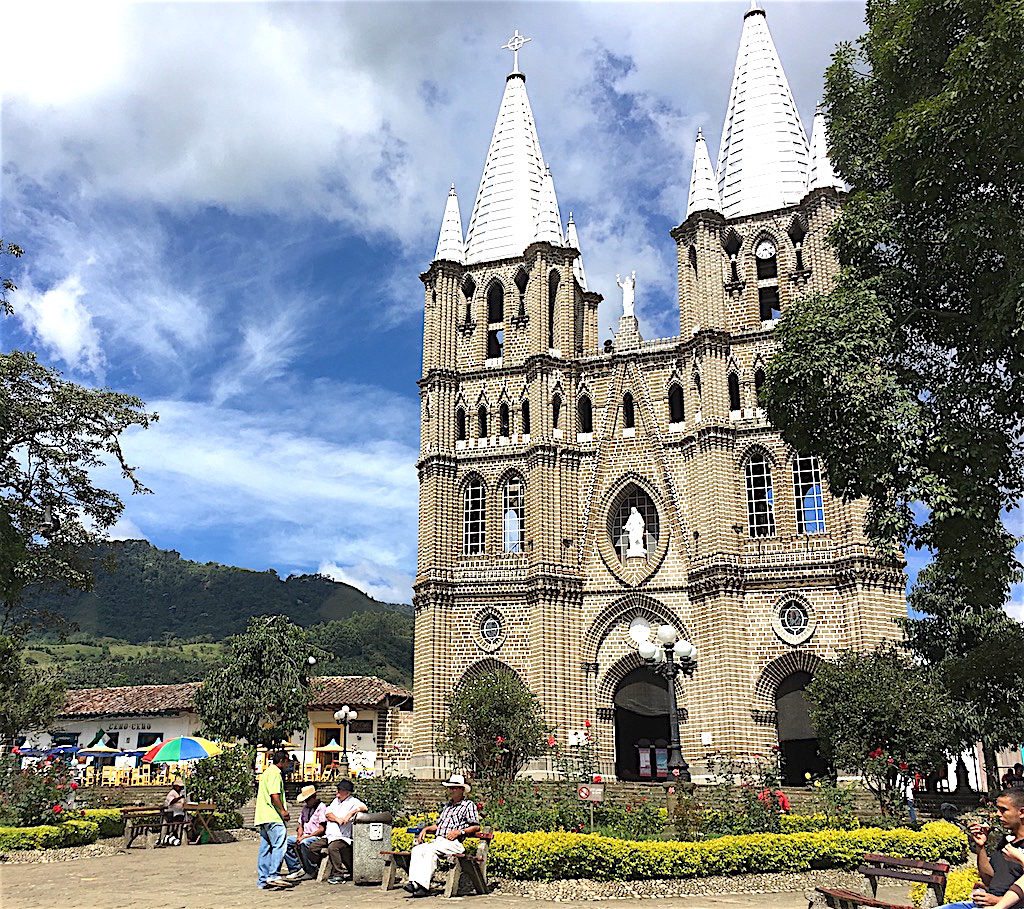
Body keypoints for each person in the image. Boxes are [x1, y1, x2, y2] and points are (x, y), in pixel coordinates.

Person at [938, 789, 1024, 908]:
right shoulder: (1006, 842)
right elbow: (989, 879)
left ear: (1022, 812)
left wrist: (998, 901)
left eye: (1003, 810)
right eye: (997, 809)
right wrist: (980, 846)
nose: (998, 814)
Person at [405, 774, 481, 898]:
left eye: (454, 788)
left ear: (462, 790)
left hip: (454, 843)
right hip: (439, 842)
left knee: (429, 849)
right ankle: (415, 883)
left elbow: (476, 826)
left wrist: (460, 832)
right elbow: (439, 826)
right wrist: (426, 829)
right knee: (418, 849)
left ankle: (422, 886)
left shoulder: (468, 805)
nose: (451, 790)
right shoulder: (447, 806)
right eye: (450, 788)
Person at [312, 779, 367, 885]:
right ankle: (319, 867)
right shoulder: (335, 801)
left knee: (333, 848)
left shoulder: (353, 801)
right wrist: (337, 819)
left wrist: (350, 814)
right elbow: (328, 813)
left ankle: (339, 874)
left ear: (346, 792)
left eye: (340, 790)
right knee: (313, 847)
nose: (337, 792)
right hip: (330, 835)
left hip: (342, 837)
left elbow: (364, 807)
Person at [255, 751, 294, 890]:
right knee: (279, 845)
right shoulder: (275, 774)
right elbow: (274, 795)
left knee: (265, 848)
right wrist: (283, 811)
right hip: (273, 816)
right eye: (287, 761)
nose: (289, 763)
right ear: (282, 761)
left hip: (262, 816)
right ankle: (273, 874)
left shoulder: (266, 773)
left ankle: (263, 879)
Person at [283, 785, 328, 881]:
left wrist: (305, 837)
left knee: (305, 843)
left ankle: (311, 870)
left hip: (316, 836)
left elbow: (321, 829)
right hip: (305, 835)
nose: (306, 802)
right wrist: (300, 835)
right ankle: (295, 868)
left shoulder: (321, 807)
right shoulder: (305, 808)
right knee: (286, 841)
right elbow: (300, 825)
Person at [159, 777, 187, 846]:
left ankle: (176, 836)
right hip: (172, 813)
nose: (180, 788)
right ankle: (171, 836)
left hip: (179, 812)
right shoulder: (172, 793)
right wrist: (179, 798)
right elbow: (171, 801)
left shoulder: (180, 793)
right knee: (176, 822)